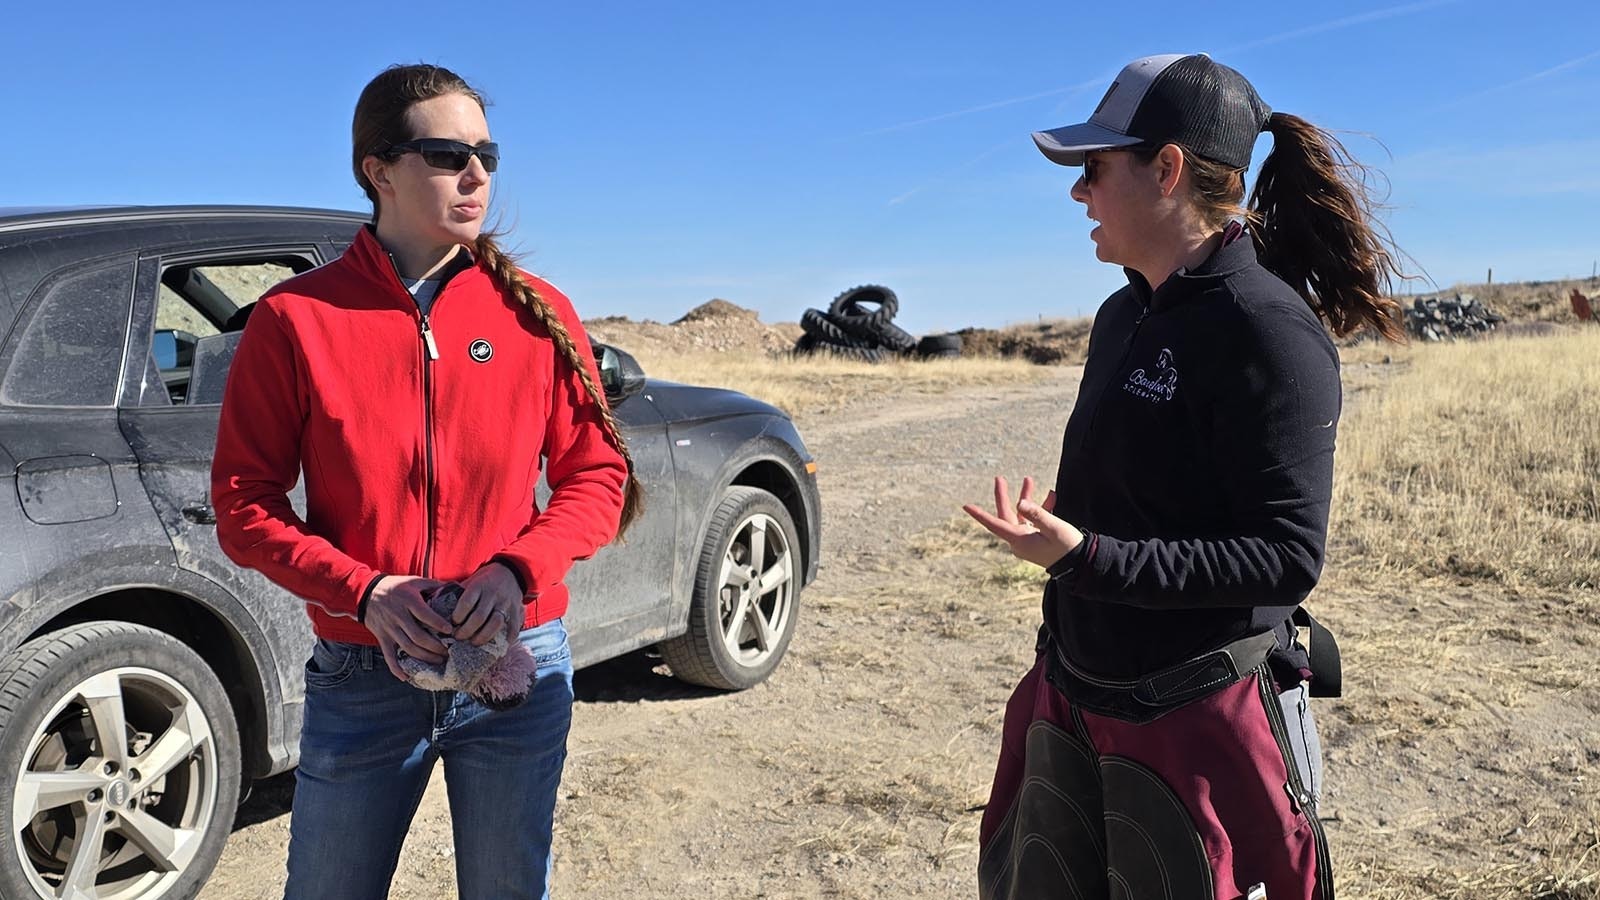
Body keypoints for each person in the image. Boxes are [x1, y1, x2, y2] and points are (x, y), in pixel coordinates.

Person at [964, 53, 1404, 899]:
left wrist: (1087, 556)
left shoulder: (1269, 331)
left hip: (1195, 728)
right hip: (1075, 700)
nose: (1077, 192)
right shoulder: (1121, 313)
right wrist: (1081, 528)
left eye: (1093, 168)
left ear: (1167, 170)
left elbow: (1283, 558)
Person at [212, 63, 641, 900]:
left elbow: (598, 477)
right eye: (449, 153)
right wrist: (365, 590)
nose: (476, 173)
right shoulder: (295, 319)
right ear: (378, 168)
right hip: (362, 673)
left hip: (517, 662)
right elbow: (243, 507)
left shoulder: (536, 311)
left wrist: (517, 572)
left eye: (487, 152)